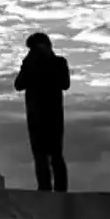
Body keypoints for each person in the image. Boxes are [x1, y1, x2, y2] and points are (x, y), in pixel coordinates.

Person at [13, 31, 69, 192]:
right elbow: (18, 85)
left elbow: (65, 84)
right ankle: (44, 187)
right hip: (35, 115)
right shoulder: (30, 64)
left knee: (55, 154)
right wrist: (28, 65)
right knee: (40, 155)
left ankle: (60, 189)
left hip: (53, 114)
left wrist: (44, 65)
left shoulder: (58, 62)